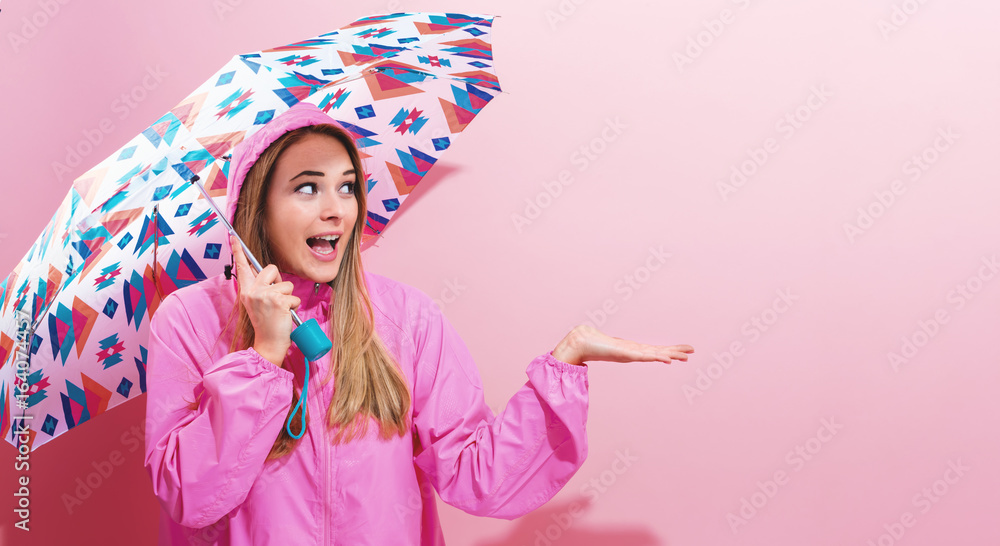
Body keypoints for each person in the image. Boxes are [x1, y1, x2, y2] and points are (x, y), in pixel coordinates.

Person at [143, 101, 694, 545]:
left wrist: (565, 363)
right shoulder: (190, 321)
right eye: (307, 187)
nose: (337, 209)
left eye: (346, 185)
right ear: (257, 208)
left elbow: (479, 476)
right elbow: (190, 499)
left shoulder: (408, 319)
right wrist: (263, 357)